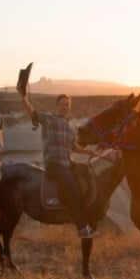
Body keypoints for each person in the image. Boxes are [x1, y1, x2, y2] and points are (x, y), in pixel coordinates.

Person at [21, 91, 100, 239]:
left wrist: (89, 153)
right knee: (74, 189)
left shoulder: (70, 127)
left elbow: (74, 147)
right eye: (63, 104)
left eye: (67, 104)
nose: (65, 107)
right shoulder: (50, 120)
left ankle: (85, 214)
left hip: (68, 164)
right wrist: (24, 97)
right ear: (57, 105)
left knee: (87, 173)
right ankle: (82, 228)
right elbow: (32, 113)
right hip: (55, 165)